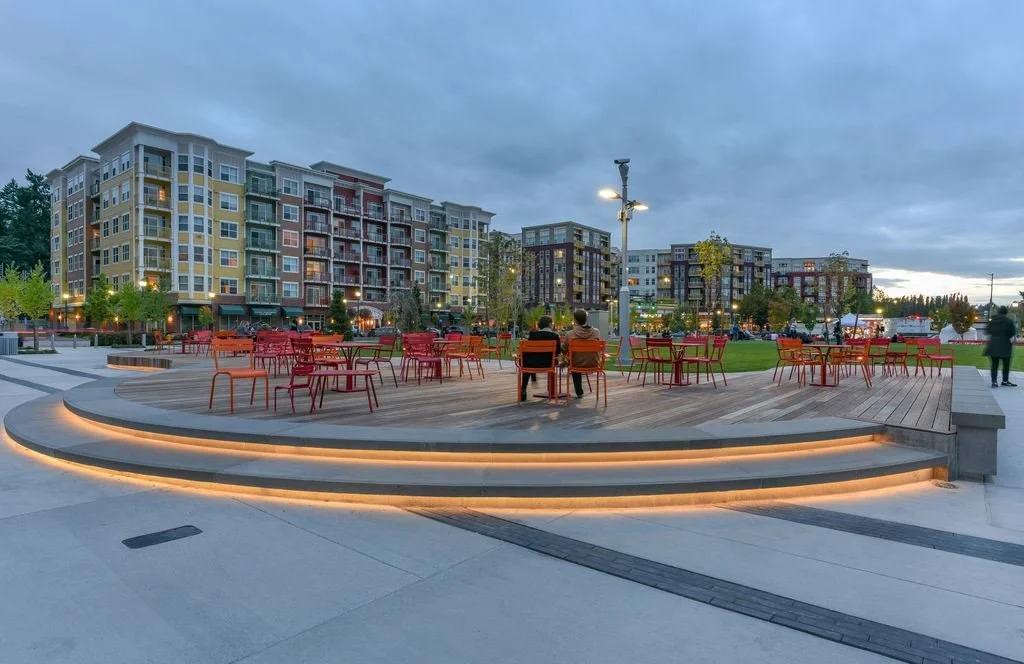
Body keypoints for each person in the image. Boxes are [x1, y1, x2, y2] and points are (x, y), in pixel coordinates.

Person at [562, 309, 602, 399]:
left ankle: (579, 392)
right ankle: (580, 392)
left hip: (576, 364)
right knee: (578, 360)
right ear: (586, 319)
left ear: (575, 320)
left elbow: (564, 350)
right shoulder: (596, 332)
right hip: (594, 363)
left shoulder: (570, 334)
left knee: (574, 363)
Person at [519, 315, 560, 401]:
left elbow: (529, 350)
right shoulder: (555, 336)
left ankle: (523, 388)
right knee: (534, 360)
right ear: (549, 324)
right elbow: (558, 352)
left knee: (529, 362)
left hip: (530, 364)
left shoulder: (533, 335)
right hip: (547, 364)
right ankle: (550, 391)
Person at [984, 306, 1017, 388]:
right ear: (1006, 312)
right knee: (1006, 364)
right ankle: (1005, 381)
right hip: (1005, 345)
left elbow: (987, 331)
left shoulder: (992, 320)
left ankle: (994, 382)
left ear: (998, 311)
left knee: (994, 364)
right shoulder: (1009, 321)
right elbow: (1012, 333)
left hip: (993, 344)